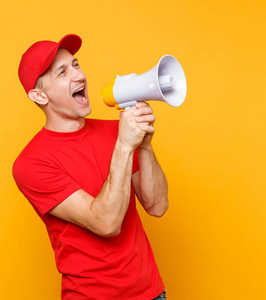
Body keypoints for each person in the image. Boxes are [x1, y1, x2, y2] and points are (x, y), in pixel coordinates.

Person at [13, 34, 168, 300]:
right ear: (39, 95)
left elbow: (157, 206)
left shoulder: (115, 132)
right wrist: (124, 145)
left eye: (76, 64)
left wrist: (144, 145)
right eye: (62, 72)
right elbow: (106, 223)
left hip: (151, 293)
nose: (79, 75)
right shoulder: (31, 164)